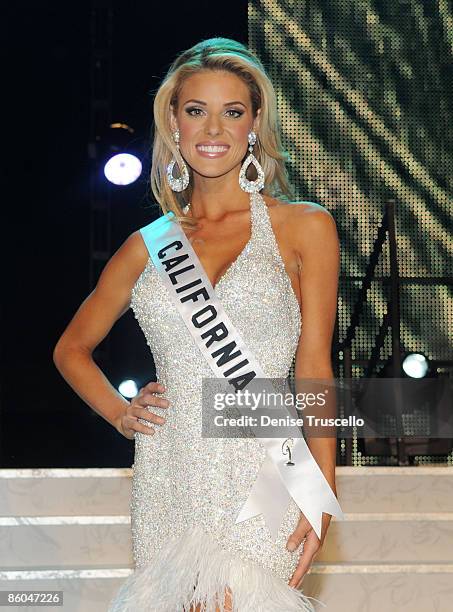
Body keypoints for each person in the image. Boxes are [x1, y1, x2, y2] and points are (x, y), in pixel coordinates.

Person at [53, 37, 341, 612]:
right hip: (171, 472)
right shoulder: (147, 246)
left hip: (266, 465)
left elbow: (313, 368)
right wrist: (119, 411)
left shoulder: (305, 227)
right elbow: (71, 349)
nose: (214, 128)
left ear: (255, 123)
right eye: (195, 110)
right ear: (174, 123)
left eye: (232, 112)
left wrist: (320, 493)